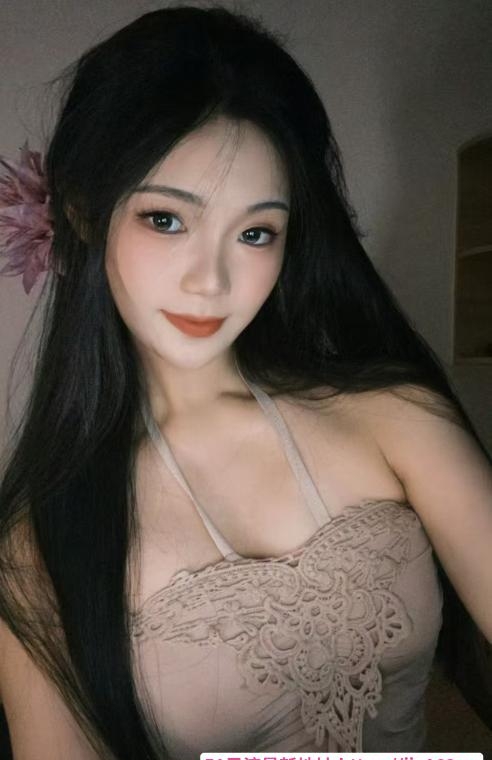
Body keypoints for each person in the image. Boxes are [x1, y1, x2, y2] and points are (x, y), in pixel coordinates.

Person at [0, 5, 491, 759]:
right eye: (167, 219)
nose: (212, 281)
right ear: (85, 214)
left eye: (256, 232)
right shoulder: (38, 549)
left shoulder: (397, 417)